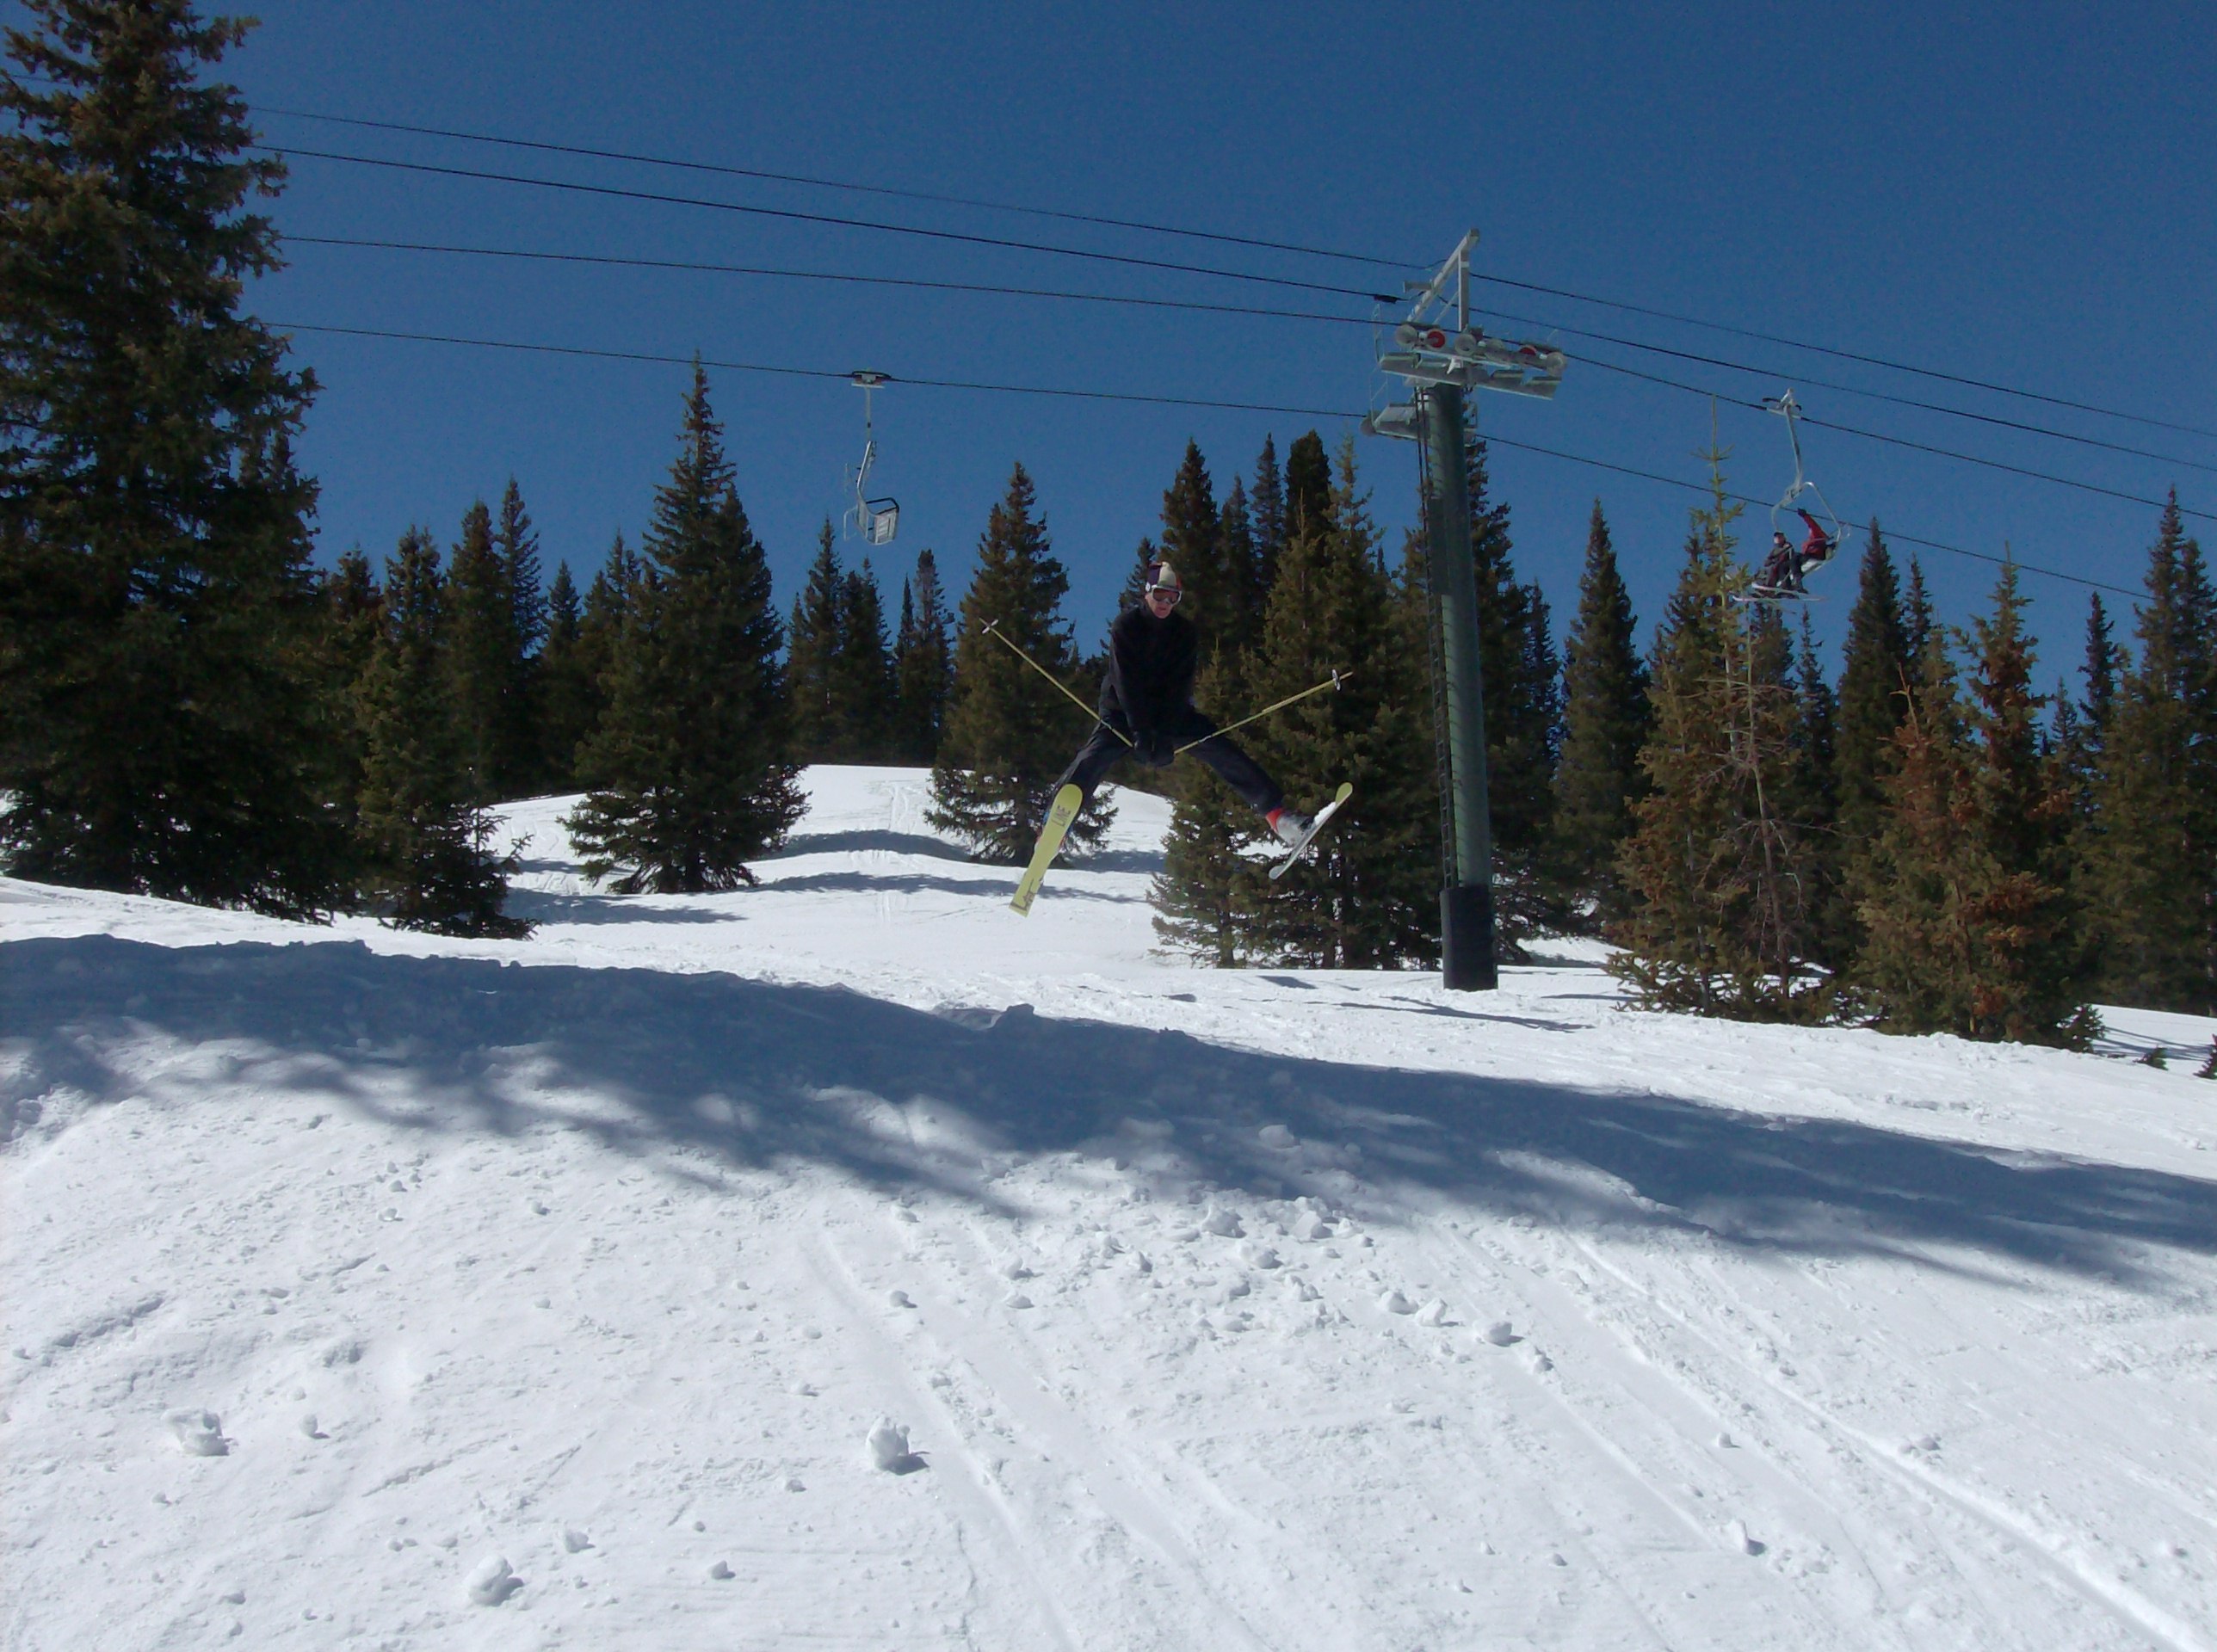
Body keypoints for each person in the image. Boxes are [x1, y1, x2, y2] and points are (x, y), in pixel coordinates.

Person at [1055, 561, 1313, 845]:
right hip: (1122, 711)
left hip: (1169, 713)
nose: (1165, 604)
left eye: (1173, 598)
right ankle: (1055, 824)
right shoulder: (1126, 626)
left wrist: (1165, 734)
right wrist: (1140, 732)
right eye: (1160, 595)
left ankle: (1277, 816)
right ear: (1147, 592)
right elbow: (1125, 683)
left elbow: (1180, 687)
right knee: (1093, 757)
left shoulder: (1184, 632)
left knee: (1219, 747)